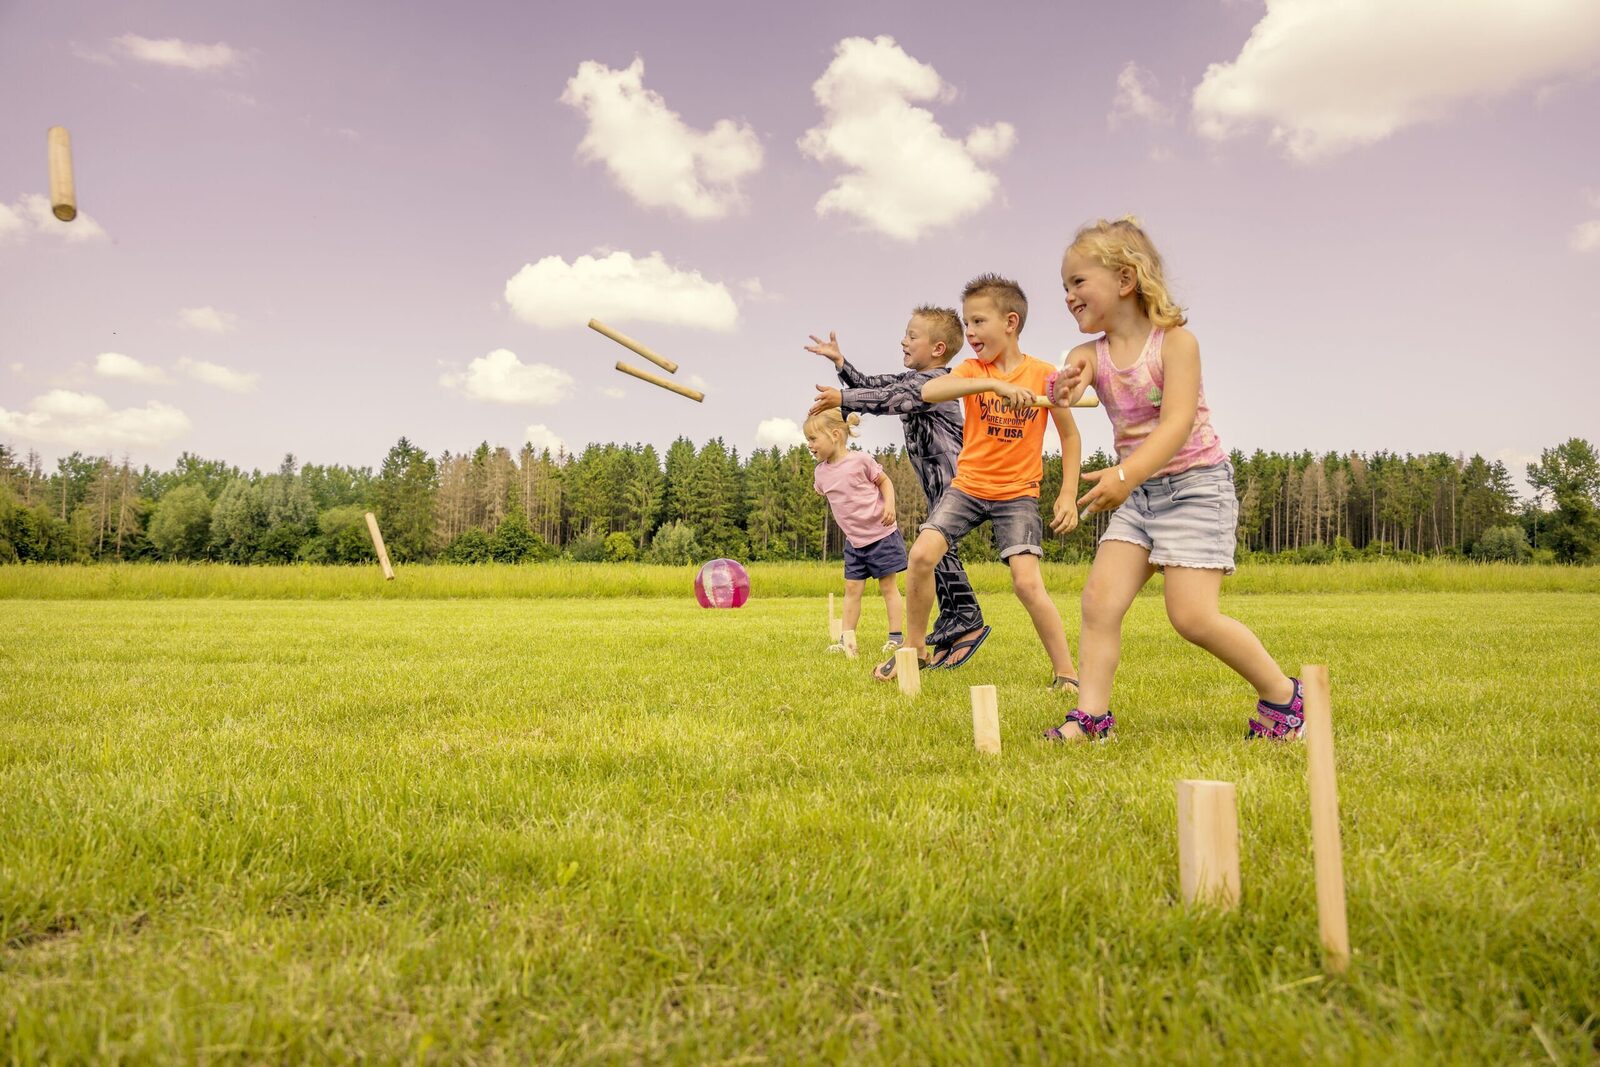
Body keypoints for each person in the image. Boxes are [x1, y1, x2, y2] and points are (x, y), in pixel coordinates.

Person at [1046, 217, 1303, 741]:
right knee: (1099, 601)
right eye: (1064, 287)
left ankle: (1285, 699)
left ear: (1124, 279)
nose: (1069, 295)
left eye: (1078, 282)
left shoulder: (1176, 344)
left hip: (1195, 487)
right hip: (1140, 494)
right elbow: (1069, 377)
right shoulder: (1090, 355)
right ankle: (1092, 718)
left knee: (1191, 617)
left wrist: (1124, 474)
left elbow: (1177, 423)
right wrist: (1062, 385)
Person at [883, 274, 1082, 687]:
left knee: (1027, 583)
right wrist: (994, 383)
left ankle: (1066, 672)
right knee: (921, 556)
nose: (969, 332)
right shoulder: (973, 370)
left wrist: (1067, 494)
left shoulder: (1044, 375)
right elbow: (934, 390)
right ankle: (915, 652)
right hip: (969, 487)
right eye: (966, 323)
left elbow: (1070, 435)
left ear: (1010, 322)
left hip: (1018, 495)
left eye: (977, 322)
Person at [803, 306, 989, 670]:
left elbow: (888, 401)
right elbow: (875, 386)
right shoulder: (913, 379)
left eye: (912, 336)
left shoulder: (933, 384)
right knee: (936, 549)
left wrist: (843, 400)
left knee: (932, 547)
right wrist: (842, 364)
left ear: (937, 349)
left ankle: (964, 616)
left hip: (956, 480)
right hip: (937, 482)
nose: (903, 340)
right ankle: (957, 620)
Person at [804, 408, 906, 658]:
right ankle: (846, 639)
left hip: (882, 535)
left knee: (888, 587)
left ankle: (896, 638)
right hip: (855, 542)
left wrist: (890, 506)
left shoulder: (860, 460)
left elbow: (885, 481)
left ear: (836, 435)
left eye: (813, 439)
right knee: (851, 589)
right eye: (808, 440)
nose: (809, 445)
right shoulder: (820, 473)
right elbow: (825, 490)